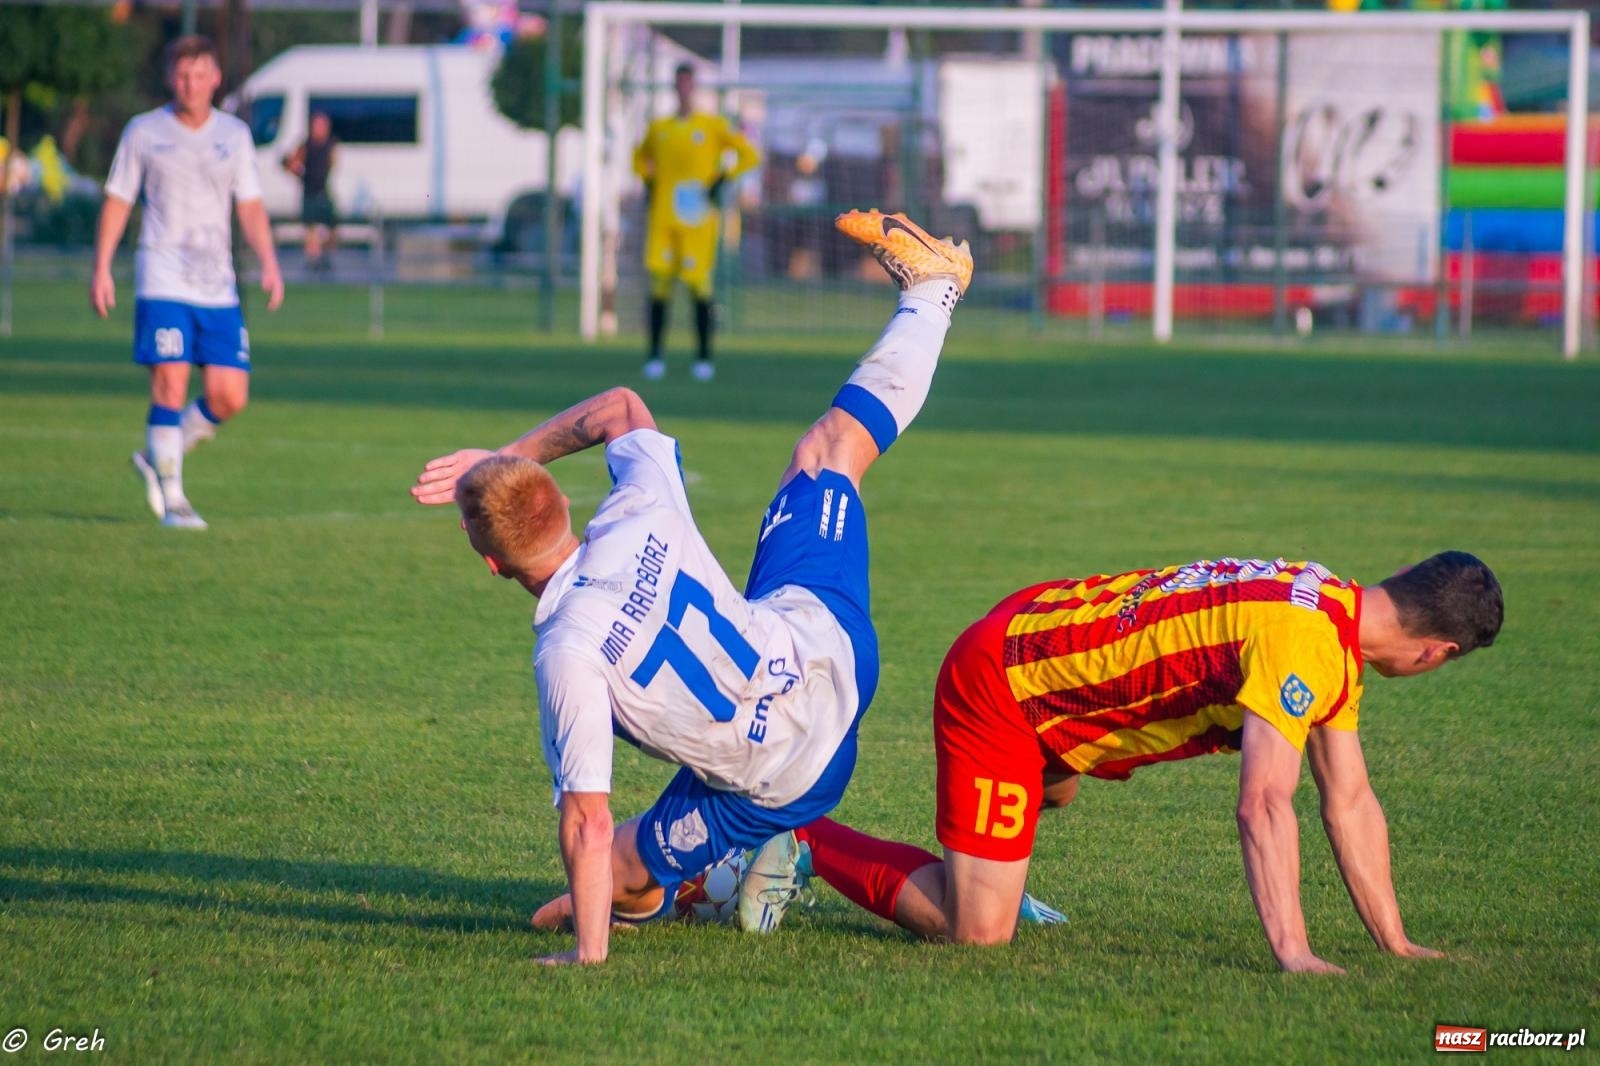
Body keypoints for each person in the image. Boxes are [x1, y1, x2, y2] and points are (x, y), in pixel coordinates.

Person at [409, 210, 972, 964]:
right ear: (563, 499)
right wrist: (508, 454)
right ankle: (931, 296)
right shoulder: (637, 509)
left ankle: (733, 862)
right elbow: (619, 409)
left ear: (491, 565)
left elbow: (587, 821)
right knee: (830, 452)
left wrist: (587, 951)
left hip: (791, 778)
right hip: (831, 647)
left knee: (593, 886)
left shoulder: (567, 650)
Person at [739, 552, 1502, 974]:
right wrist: (1293, 952)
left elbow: (1351, 800)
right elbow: (1265, 802)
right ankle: (797, 835)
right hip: (1007, 684)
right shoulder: (1307, 647)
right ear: (1437, 655)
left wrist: (1395, 942)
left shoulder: (1329, 606)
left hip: (1049, 635)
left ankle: (996, 862)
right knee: (978, 930)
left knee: (1058, 795)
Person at [91, 34, 284, 531]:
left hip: (216, 285)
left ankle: (156, 452)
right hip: (162, 276)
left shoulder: (235, 135)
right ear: (169, 77)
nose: (191, 84)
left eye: (200, 75)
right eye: (182, 75)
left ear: (216, 78)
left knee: (229, 396)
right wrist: (102, 267)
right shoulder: (143, 132)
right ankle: (174, 499)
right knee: (171, 381)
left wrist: (269, 262)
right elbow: (118, 199)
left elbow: (251, 205)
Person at [631, 62, 760, 382]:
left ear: (695, 87)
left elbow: (749, 155)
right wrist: (649, 181)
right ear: (675, 88)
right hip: (663, 220)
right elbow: (638, 158)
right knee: (659, 285)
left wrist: (721, 180)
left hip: (698, 222)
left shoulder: (712, 126)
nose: (684, 89)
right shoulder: (660, 128)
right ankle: (655, 356)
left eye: (689, 84)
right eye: (679, 84)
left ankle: (703, 358)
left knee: (699, 287)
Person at [283, 111, 339, 272]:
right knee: (310, 230)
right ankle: (313, 260)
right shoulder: (305, 145)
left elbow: (333, 163)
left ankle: (327, 257)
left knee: (331, 227)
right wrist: (300, 174)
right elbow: (292, 163)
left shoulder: (330, 145)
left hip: (323, 190)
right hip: (309, 191)